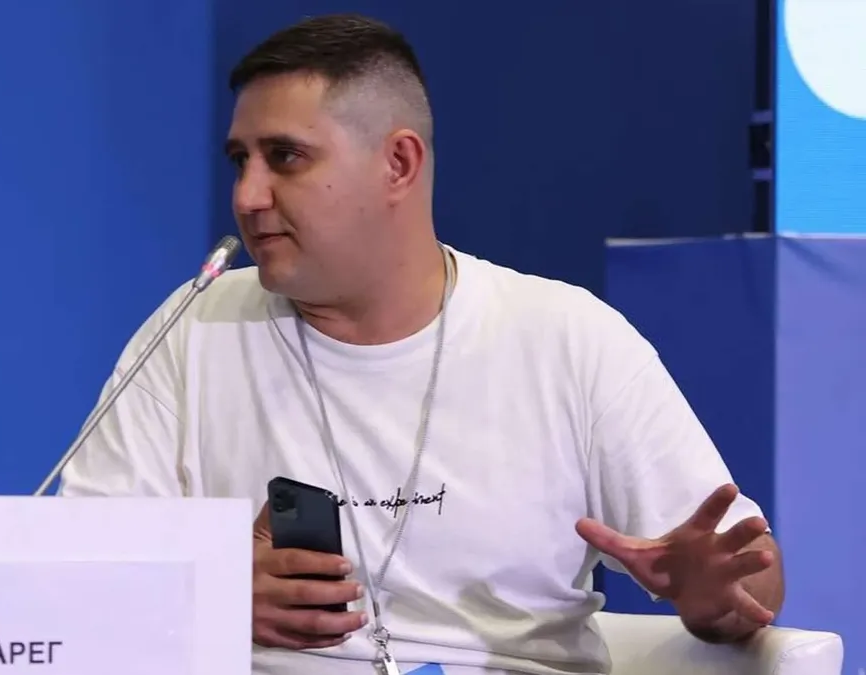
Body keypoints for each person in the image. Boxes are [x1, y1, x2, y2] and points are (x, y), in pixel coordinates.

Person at [58, 12, 784, 675]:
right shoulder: (194, 327)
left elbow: (752, 574)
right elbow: (72, 571)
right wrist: (206, 589)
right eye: (239, 160)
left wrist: (714, 596)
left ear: (399, 164)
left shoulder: (568, 338)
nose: (247, 196)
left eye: (285, 157)